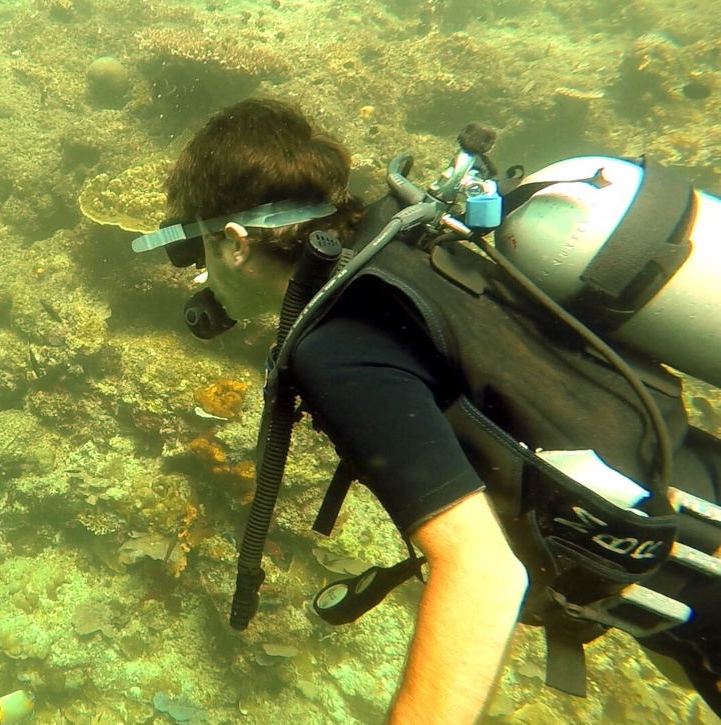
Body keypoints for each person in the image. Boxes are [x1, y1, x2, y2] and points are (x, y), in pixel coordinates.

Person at [131, 98, 721, 724]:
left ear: (235, 241)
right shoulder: (415, 244)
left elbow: (484, 576)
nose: (195, 280)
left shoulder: (337, 347)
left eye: (190, 255)